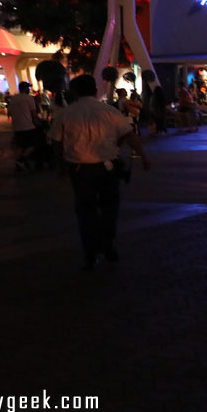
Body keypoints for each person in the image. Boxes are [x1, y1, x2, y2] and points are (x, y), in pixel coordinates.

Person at [48, 74, 150, 271]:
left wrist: (60, 166)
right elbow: (128, 134)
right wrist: (143, 156)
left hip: (79, 169)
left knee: (85, 211)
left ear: (74, 92)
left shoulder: (66, 114)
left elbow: (56, 141)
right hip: (107, 168)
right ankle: (107, 242)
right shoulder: (109, 111)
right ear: (95, 90)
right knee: (110, 208)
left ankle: (90, 251)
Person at [7, 81, 41, 171]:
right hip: (28, 125)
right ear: (25, 88)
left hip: (17, 126)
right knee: (34, 144)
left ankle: (21, 163)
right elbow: (33, 112)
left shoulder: (13, 99)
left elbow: (9, 112)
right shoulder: (29, 98)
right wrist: (40, 120)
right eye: (28, 88)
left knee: (21, 146)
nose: (29, 89)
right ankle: (21, 160)